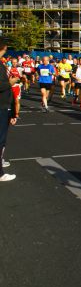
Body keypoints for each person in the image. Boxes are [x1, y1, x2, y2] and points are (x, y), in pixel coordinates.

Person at [0, 39, 19, 181]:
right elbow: (2, 85)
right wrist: (10, 82)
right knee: (1, 139)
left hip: (4, 106)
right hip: (1, 106)